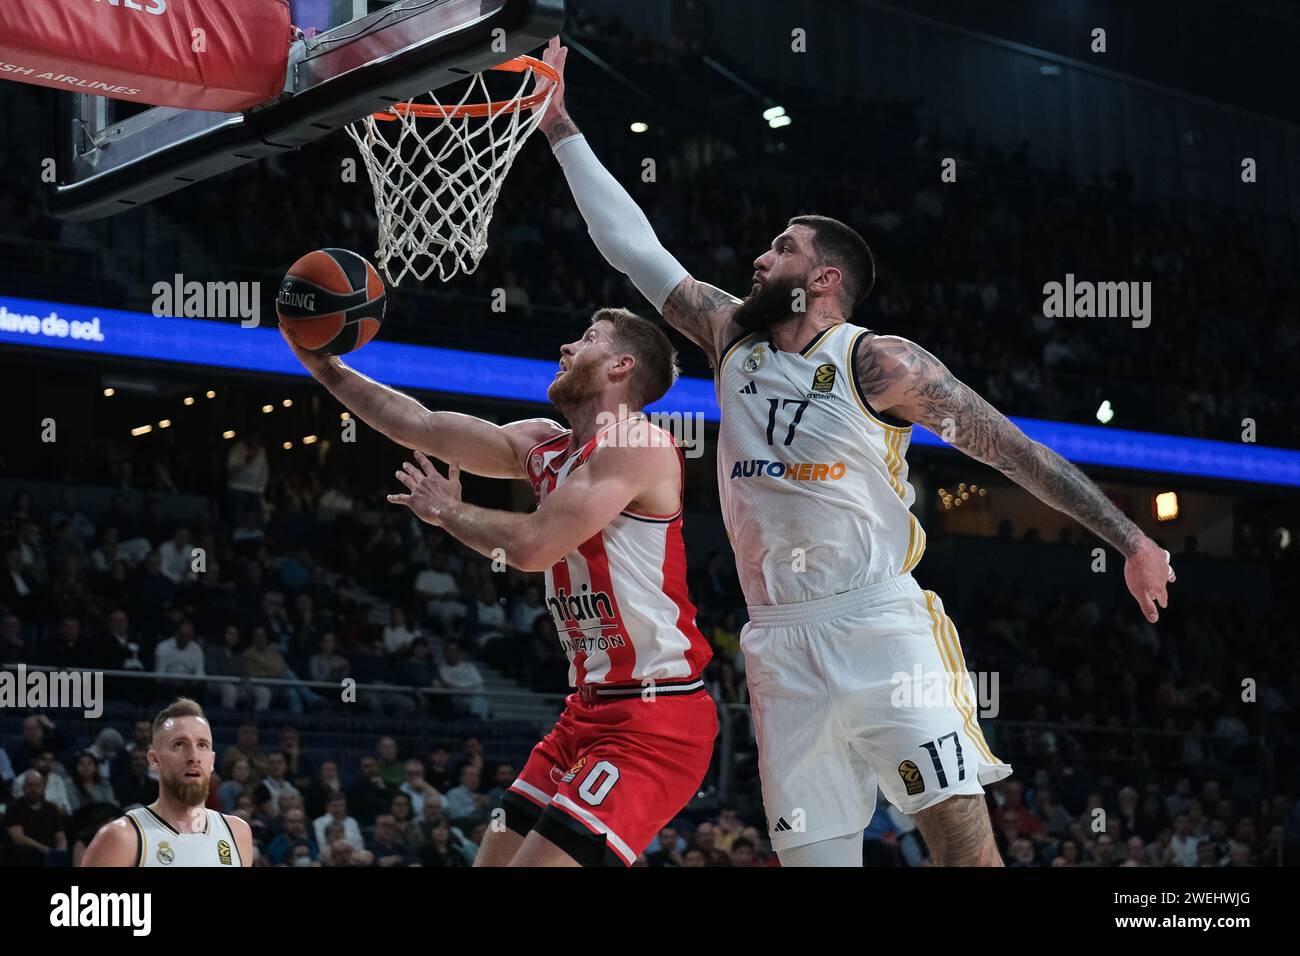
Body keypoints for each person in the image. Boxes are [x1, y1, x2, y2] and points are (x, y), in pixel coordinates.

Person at [535, 35, 1175, 867]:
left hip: (878, 621)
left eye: (782, 248)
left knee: (959, 843)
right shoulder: (731, 335)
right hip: (775, 639)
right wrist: (559, 125)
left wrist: (1130, 539)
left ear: (825, 278)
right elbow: (632, 247)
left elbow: (1013, 451)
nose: (761, 257)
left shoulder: (881, 362)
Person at [282, 280, 717, 871]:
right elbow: (423, 425)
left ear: (622, 365)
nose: (566, 347)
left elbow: (535, 546)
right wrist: (326, 368)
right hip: (586, 710)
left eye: (587, 339)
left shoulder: (639, 443)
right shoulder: (543, 446)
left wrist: (447, 513)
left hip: (655, 719)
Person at [81, 697, 254, 866]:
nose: (194, 757)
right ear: (154, 759)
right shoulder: (121, 837)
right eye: (179, 744)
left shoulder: (238, 833)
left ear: (212, 760)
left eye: (202, 745)